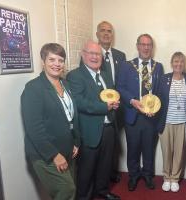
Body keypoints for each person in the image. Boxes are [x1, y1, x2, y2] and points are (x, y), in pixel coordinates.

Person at [21, 43, 80, 200]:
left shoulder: (65, 84)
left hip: (67, 148)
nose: (57, 64)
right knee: (66, 191)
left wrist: (76, 141)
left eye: (60, 60)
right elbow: (34, 129)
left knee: (70, 191)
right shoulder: (33, 88)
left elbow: (72, 116)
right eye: (52, 59)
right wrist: (54, 155)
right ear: (43, 61)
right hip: (45, 154)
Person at [66, 40, 120, 200]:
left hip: (109, 127)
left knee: (105, 164)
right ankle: (84, 197)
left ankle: (103, 191)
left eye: (98, 54)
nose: (95, 57)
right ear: (83, 55)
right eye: (91, 53)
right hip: (90, 131)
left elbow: (112, 94)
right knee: (86, 170)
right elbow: (79, 102)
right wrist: (106, 107)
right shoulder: (75, 76)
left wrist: (116, 103)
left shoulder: (105, 74)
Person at [116, 33, 164, 191]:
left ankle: (148, 175)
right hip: (133, 115)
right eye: (143, 44)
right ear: (137, 46)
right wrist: (132, 101)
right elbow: (120, 87)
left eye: (149, 44)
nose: (146, 47)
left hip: (151, 117)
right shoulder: (126, 65)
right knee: (133, 148)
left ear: (152, 47)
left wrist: (154, 109)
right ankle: (134, 176)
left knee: (149, 148)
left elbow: (160, 92)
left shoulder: (158, 66)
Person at [156, 52, 186, 192]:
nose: (178, 64)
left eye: (181, 62)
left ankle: (175, 178)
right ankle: (166, 178)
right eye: (176, 61)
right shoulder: (164, 78)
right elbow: (157, 99)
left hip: (183, 122)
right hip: (165, 122)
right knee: (167, 151)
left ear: (184, 64)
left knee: (179, 152)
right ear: (171, 63)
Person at [96, 20, 126, 183]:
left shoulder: (120, 56)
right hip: (101, 107)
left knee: (115, 142)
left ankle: (112, 172)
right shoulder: (92, 54)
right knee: (100, 142)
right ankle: (102, 177)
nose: (106, 33)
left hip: (118, 107)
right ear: (97, 34)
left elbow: (123, 81)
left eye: (109, 31)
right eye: (103, 31)